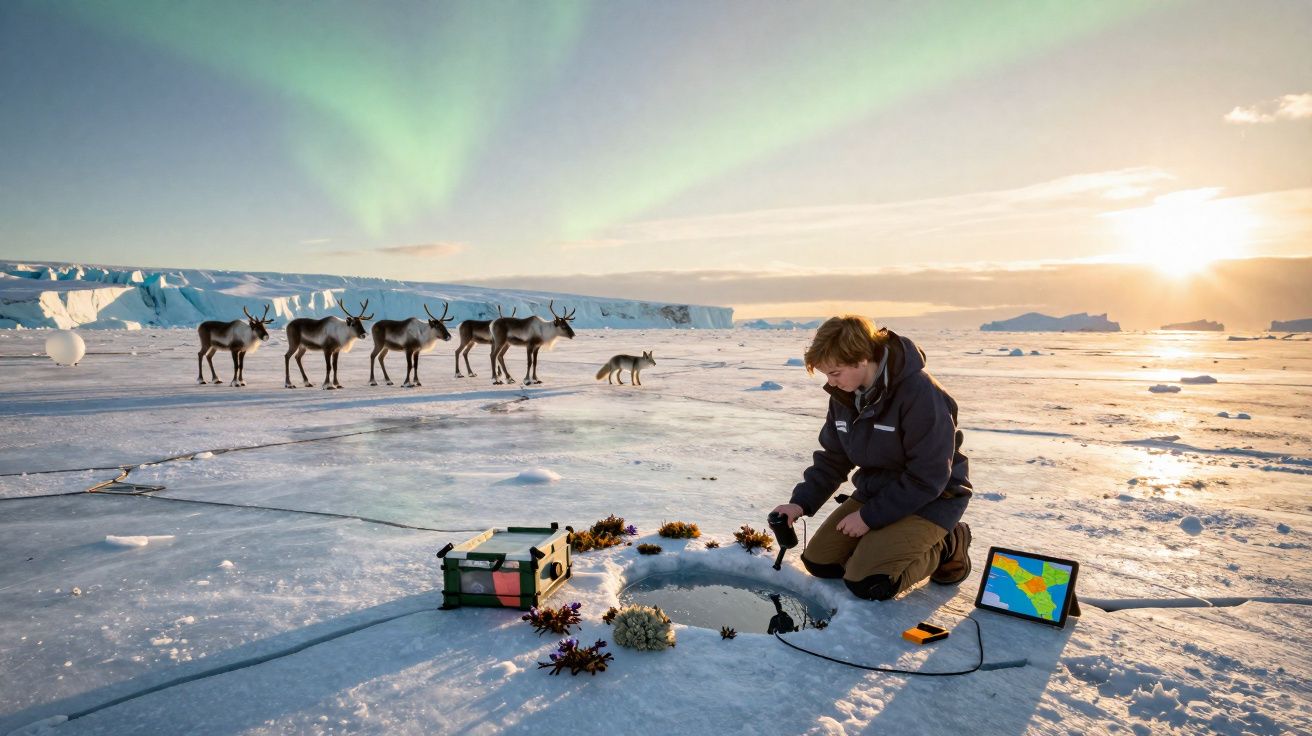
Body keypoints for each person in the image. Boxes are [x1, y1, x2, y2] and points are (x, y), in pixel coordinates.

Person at [772, 315, 973, 601]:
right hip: (877, 490)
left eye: (835, 373)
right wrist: (799, 503)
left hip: (933, 498)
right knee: (820, 562)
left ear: (862, 359)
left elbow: (930, 476)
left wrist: (869, 517)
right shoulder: (844, 396)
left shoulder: (920, 394)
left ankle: (948, 545)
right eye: (827, 375)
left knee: (868, 583)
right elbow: (833, 458)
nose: (831, 383)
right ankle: (880, 545)